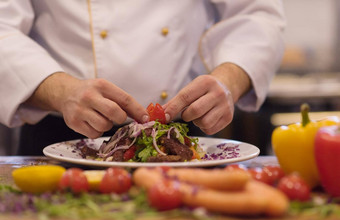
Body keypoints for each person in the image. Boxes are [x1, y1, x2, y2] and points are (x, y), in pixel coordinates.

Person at [0, 0, 286, 155]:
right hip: (63, 138)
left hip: (182, 137)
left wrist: (229, 80)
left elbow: (257, 13)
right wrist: (61, 91)